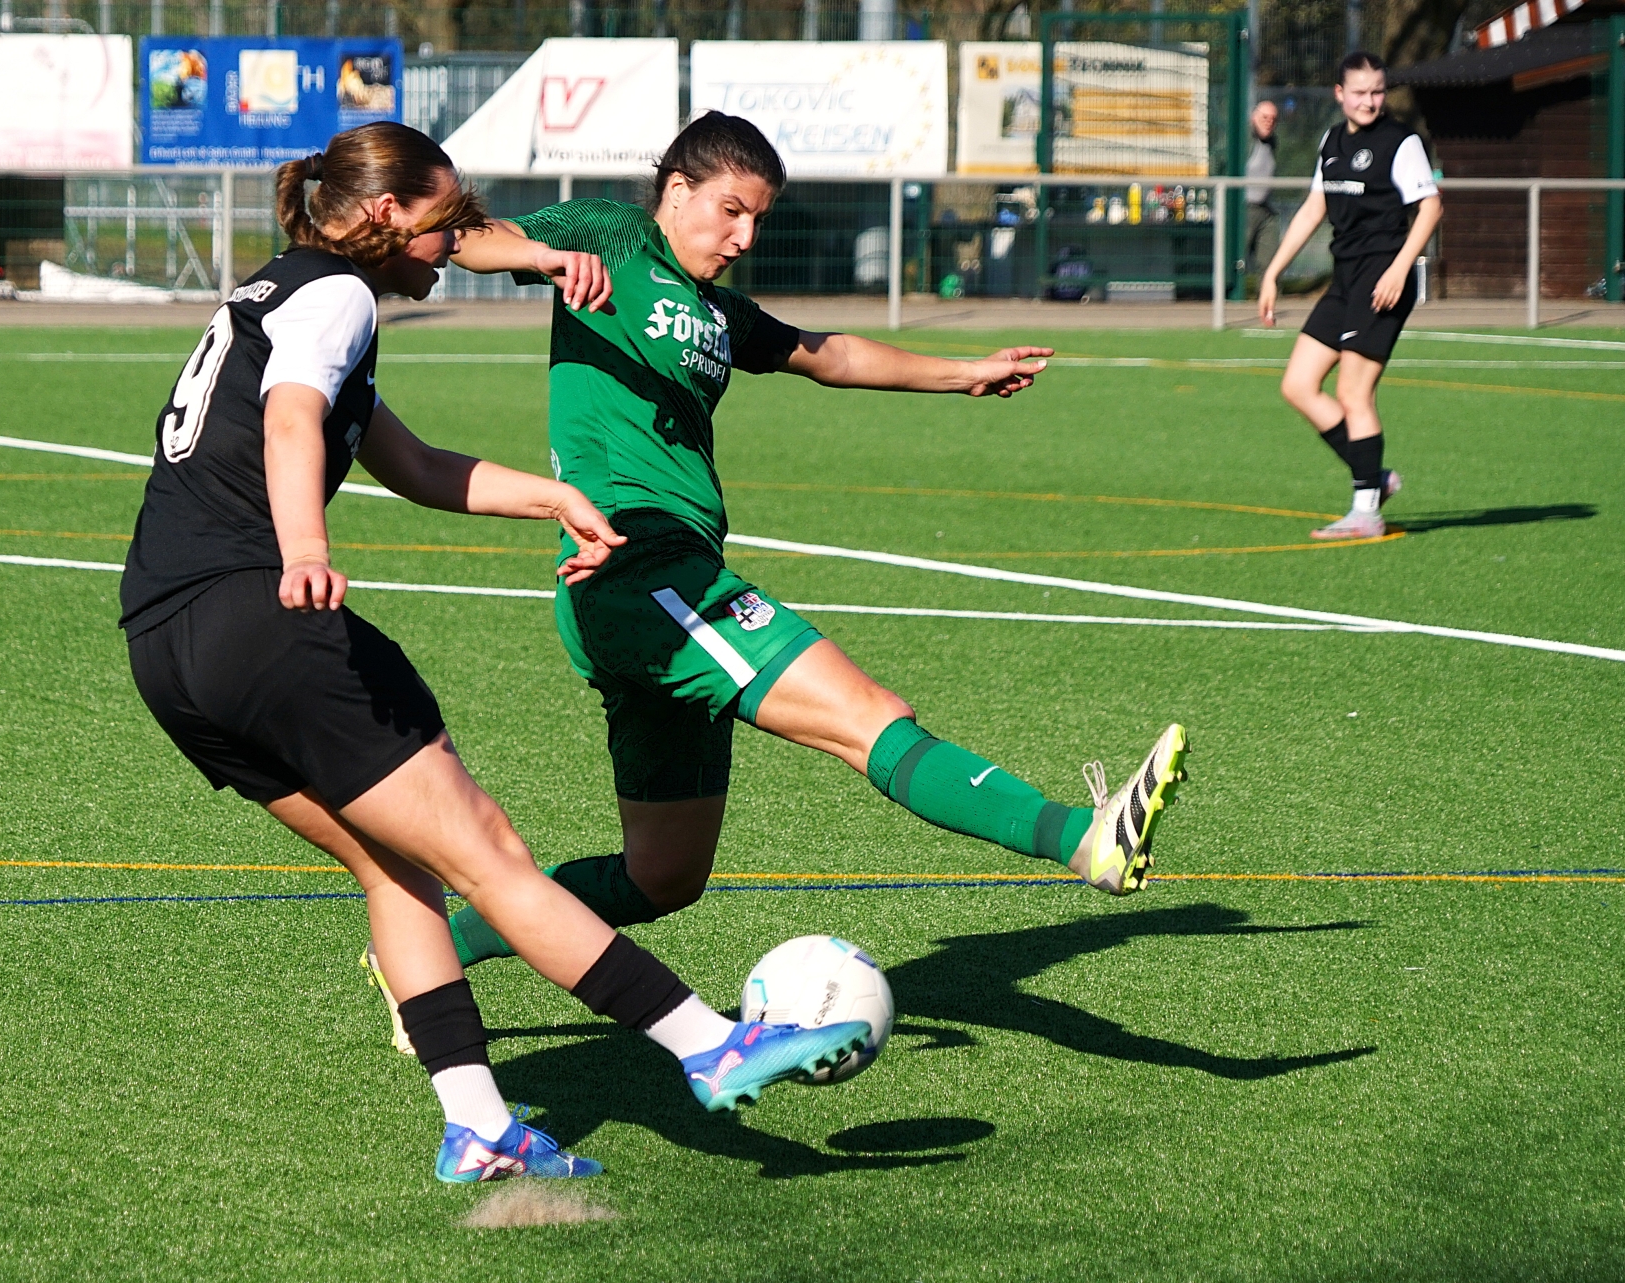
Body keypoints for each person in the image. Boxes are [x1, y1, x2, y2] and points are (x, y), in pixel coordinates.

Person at [117, 122, 873, 1181]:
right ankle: (710, 1043)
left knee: (394, 863)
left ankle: (479, 1125)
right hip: (260, 612)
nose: (457, 240)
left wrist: (553, 497)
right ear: (387, 215)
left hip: (166, 646)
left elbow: (418, 464)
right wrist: (306, 548)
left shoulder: (280, 292)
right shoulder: (336, 296)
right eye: (447, 220)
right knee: (490, 855)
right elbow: (290, 422)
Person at [420, 111, 1189, 987]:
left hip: (661, 587)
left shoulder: (716, 309)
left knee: (663, 876)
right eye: (731, 211)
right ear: (677, 191)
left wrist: (964, 373)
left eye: (759, 219)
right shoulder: (616, 234)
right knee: (870, 715)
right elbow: (467, 238)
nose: (744, 237)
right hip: (639, 565)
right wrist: (544, 256)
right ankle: (1083, 838)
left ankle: (436, 949)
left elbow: (830, 354)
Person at [1258, 52, 1442, 540]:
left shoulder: (1400, 141)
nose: (1369, 101)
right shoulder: (1332, 141)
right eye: (1359, 92)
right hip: (1345, 280)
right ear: (1339, 94)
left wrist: (1400, 269)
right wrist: (1273, 272)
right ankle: (1373, 479)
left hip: (1382, 279)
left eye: (1377, 91)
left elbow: (1430, 208)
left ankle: (1366, 512)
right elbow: (1312, 208)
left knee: (1354, 393)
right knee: (1298, 385)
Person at [1245, 99, 1281, 284]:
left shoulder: (1273, 142)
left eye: (1273, 119)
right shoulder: (1243, 141)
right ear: (1253, 117)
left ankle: (1268, 294)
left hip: (1265, 208)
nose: (1269, 122)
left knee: (1271, 261)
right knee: (1236, 260)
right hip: (1243, 209)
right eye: (1264, 117)